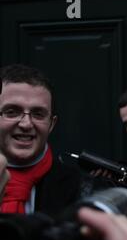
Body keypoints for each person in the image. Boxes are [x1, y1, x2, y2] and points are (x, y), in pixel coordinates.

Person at [0, 64, 80, 216]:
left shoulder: (80, 188)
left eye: (38, 114)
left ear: (51, 124)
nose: (26, 124)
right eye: (11, 112)